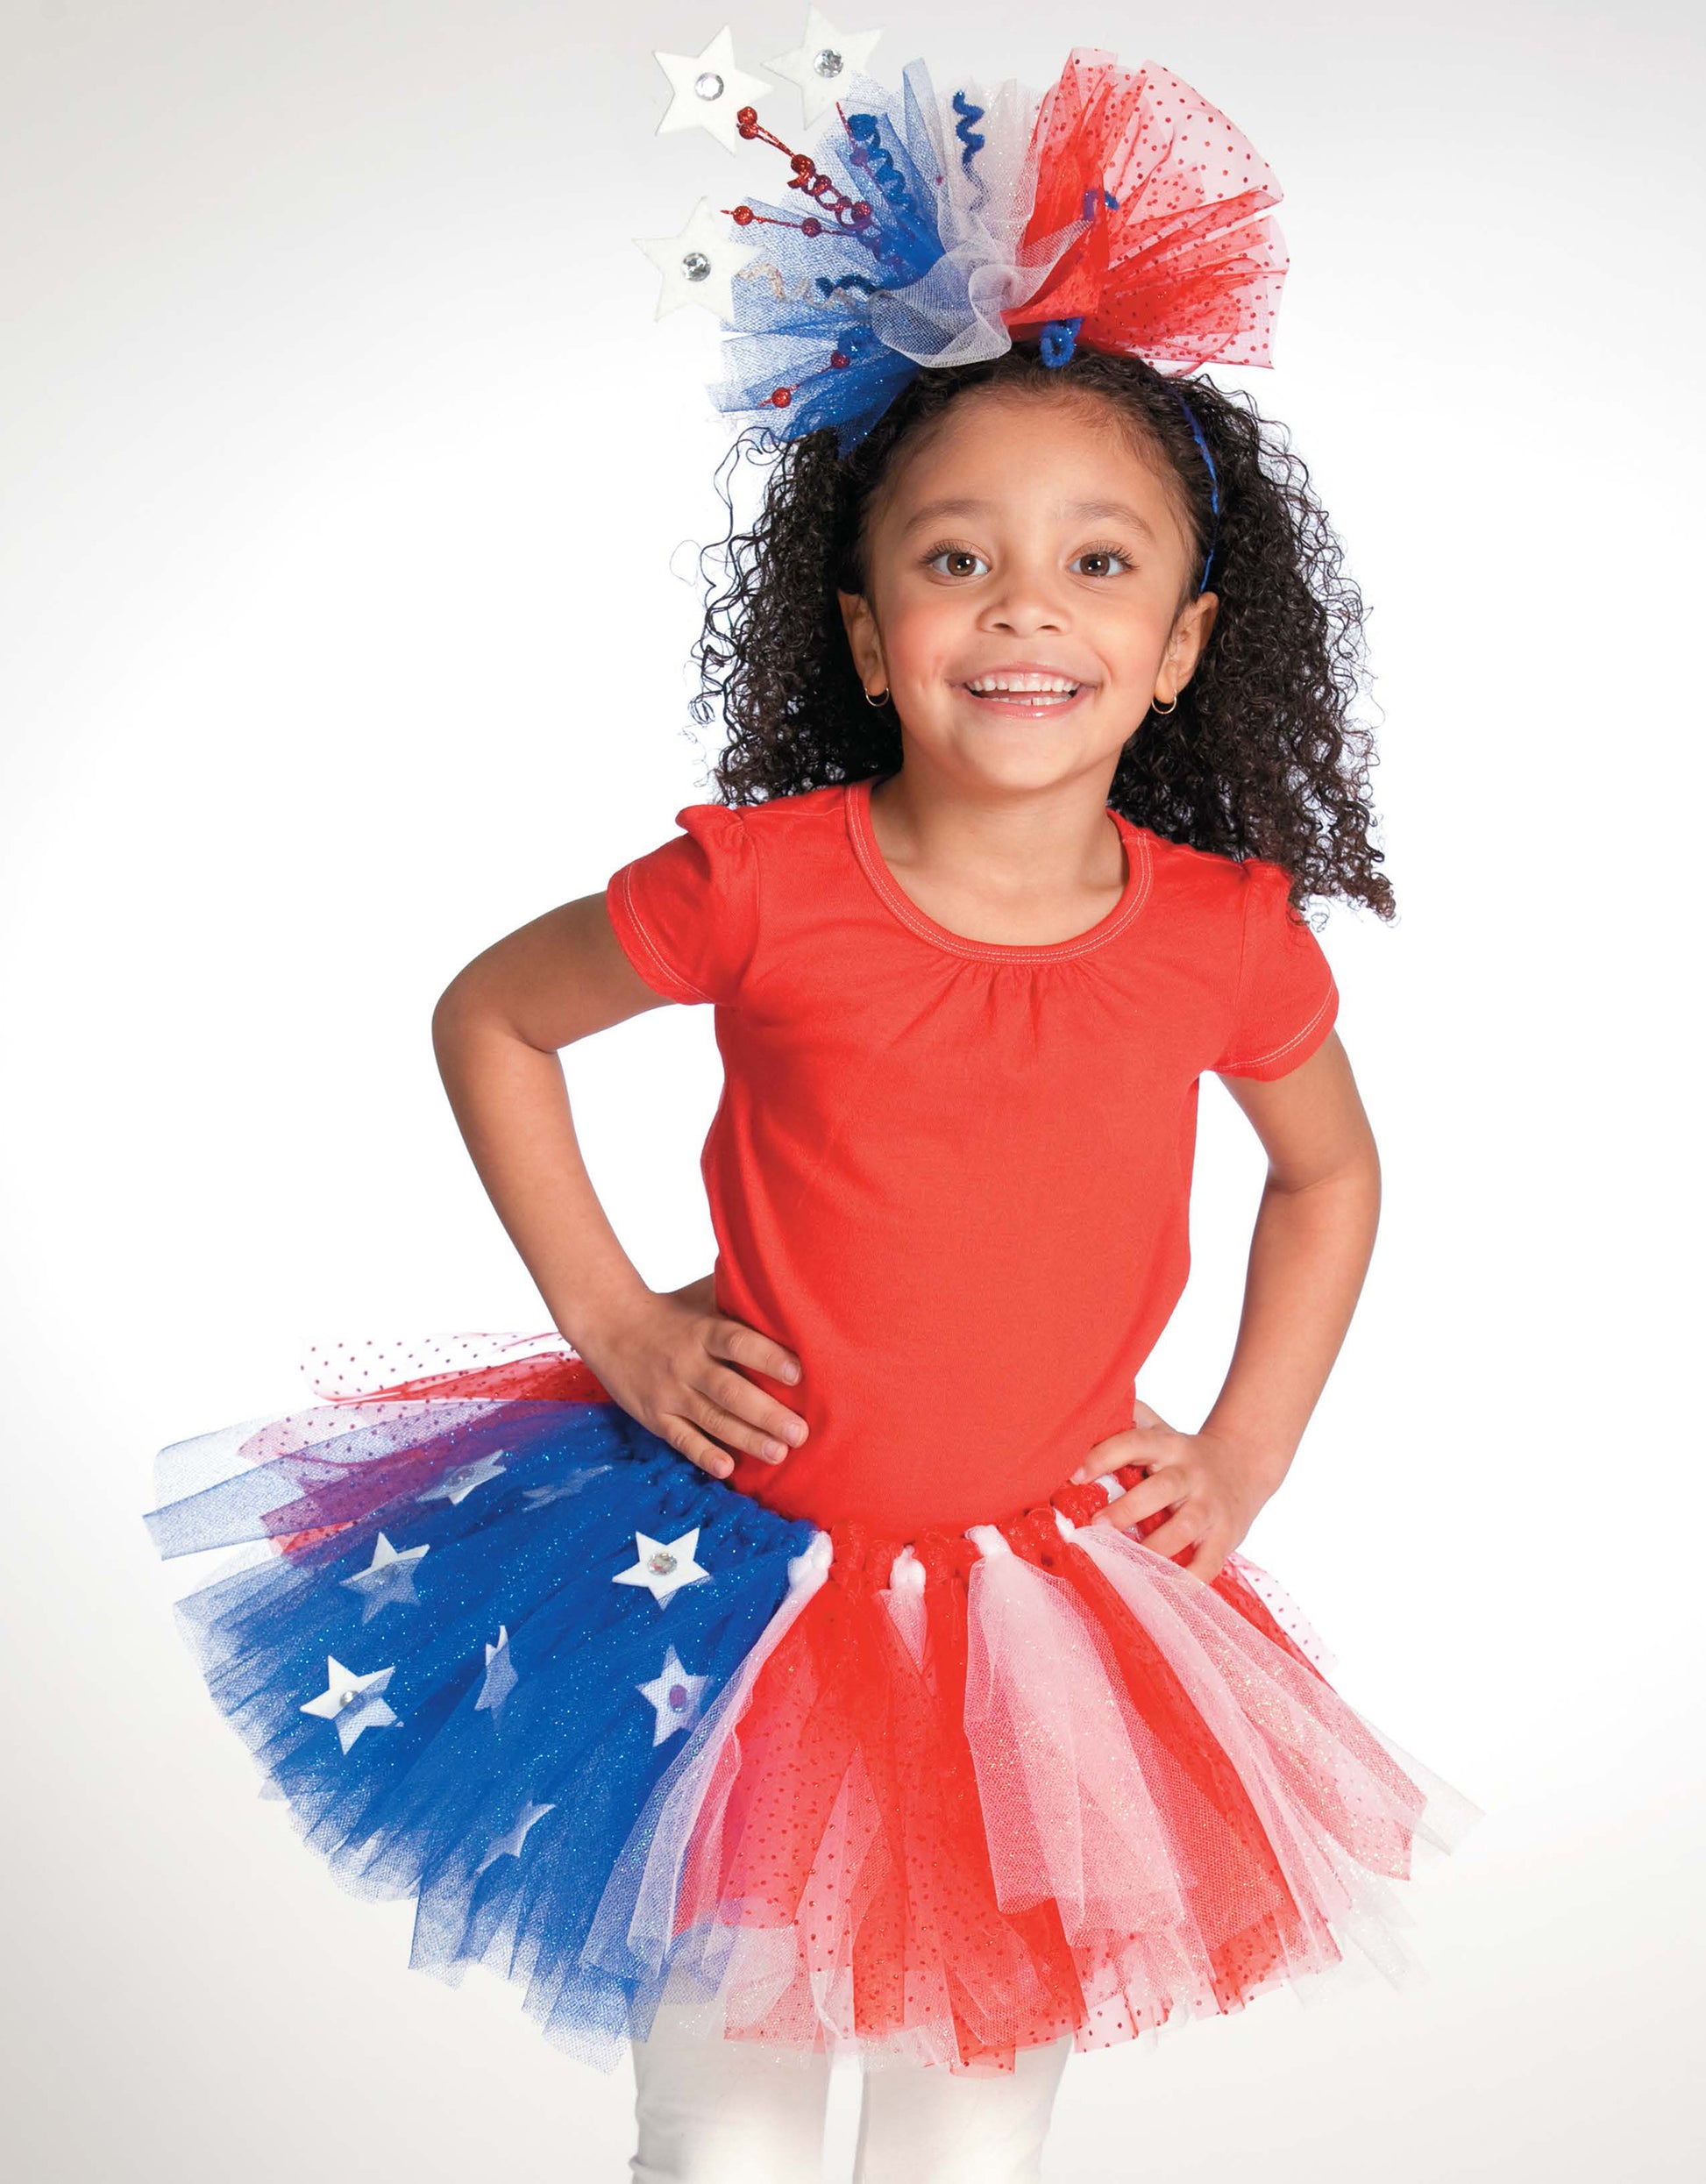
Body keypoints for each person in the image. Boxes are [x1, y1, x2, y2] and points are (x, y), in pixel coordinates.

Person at [142, 34, 1476, 2184]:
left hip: (1036, 1623)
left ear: (1183, 643)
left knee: (967, 2134)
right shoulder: (759, 884)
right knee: (729, 2128)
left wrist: (1239, 1450)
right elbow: (492, 1018)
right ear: (863, 633)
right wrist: (618, 1323)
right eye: (955, 562)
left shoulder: (1225, 935)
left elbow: (1326, 1172)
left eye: (1098, 566)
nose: (1024, 603)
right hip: (727, 1598)